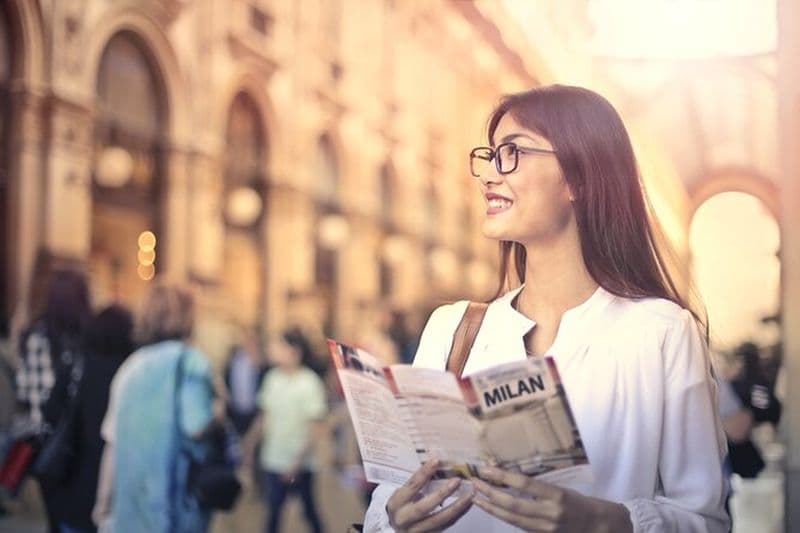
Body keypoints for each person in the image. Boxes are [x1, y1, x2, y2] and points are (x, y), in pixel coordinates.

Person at [364, 85, 729, 532]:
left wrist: (602, 521)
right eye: (491, 156)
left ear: (579, 178)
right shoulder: (451, 329)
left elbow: (705, 520)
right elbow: (396, 488)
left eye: (512, 153)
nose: (489, 176)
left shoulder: (662, 333)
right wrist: (391, 519)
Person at [93, 282, 219, 533]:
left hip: (131, 510)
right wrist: (219, 408)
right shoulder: (191, 362)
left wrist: (103, 503)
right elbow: (197, 426)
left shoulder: (131, 367)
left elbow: (112, 444)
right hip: (176, 507)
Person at [42, 304, 134, 533]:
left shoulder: (77, 365)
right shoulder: (131, 375)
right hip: (115, 488)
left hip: (72, 481)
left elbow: (51, 412)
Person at [15, 269, 91, 533]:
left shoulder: (34, 337)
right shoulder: (86, 341)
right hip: (79, 444)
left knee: (54, 519)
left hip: (44, 445)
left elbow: (26, 393)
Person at [243, 331, 327, 533]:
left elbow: (314, 428)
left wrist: (296, 463)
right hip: (273, 460)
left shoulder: (310, 382)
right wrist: (249, 442)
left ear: (294, 352)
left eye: (281, 347)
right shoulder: (272, 378)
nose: (275, 351)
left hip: (301, 465)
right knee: (273, 513)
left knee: (309, 512)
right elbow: (264, 416)